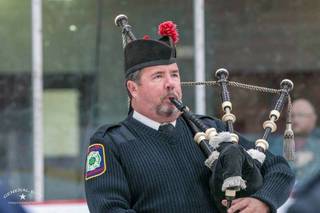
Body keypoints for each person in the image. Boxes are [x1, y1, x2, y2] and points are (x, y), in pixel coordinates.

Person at [84, 19, 294, 213]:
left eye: (174, 74)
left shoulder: (211, 129)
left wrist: (264, 201)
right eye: (158, 76)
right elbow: (109, 209)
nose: (171, 83)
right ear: (133, 88)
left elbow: (278, 168)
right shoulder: (111, 143)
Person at [290, 99, 320, 188]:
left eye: (300, 115)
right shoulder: (277, 143)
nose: (295, 120)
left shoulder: (317, 143)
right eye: (292, 116)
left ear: (313, 118)